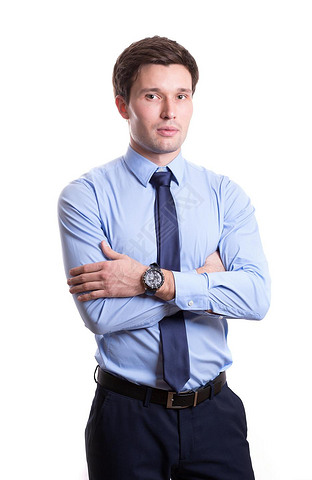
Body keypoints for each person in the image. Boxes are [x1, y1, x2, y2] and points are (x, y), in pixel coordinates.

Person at [58, 36, 270, 480]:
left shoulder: (224, 195)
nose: (170, 112)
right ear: (123, 106)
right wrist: (203, 283)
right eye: (153, 95)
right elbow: (101, 314)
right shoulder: (86, 198)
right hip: (126, 419)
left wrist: (149, 280)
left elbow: (255, 297)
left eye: (182, 96)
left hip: (216, 417)